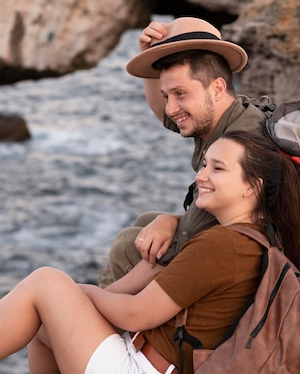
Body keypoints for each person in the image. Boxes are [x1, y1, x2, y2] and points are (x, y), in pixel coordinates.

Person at [0, 130, 300, 374]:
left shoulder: (223, 245)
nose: (202, 174)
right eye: (203, 164)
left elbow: (135, 313)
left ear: (253, 186)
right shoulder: (255, 241)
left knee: (45, 282)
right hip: (153, 373)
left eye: (218, 167)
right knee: (42, 318)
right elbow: (128, 305)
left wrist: (76, 292)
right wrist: (136, 277)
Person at [106, 17, 270, 289]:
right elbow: (167, 116)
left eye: (180, 93)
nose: (170, 108)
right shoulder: (233, 113)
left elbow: (186, 238)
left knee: (129, 243)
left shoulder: (237, 141)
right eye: (166, 95)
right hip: (233, 237)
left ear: (217, 88)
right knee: (147, 221)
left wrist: (82, 303)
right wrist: (148, 55)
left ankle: (123, 326)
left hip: (245, 268)